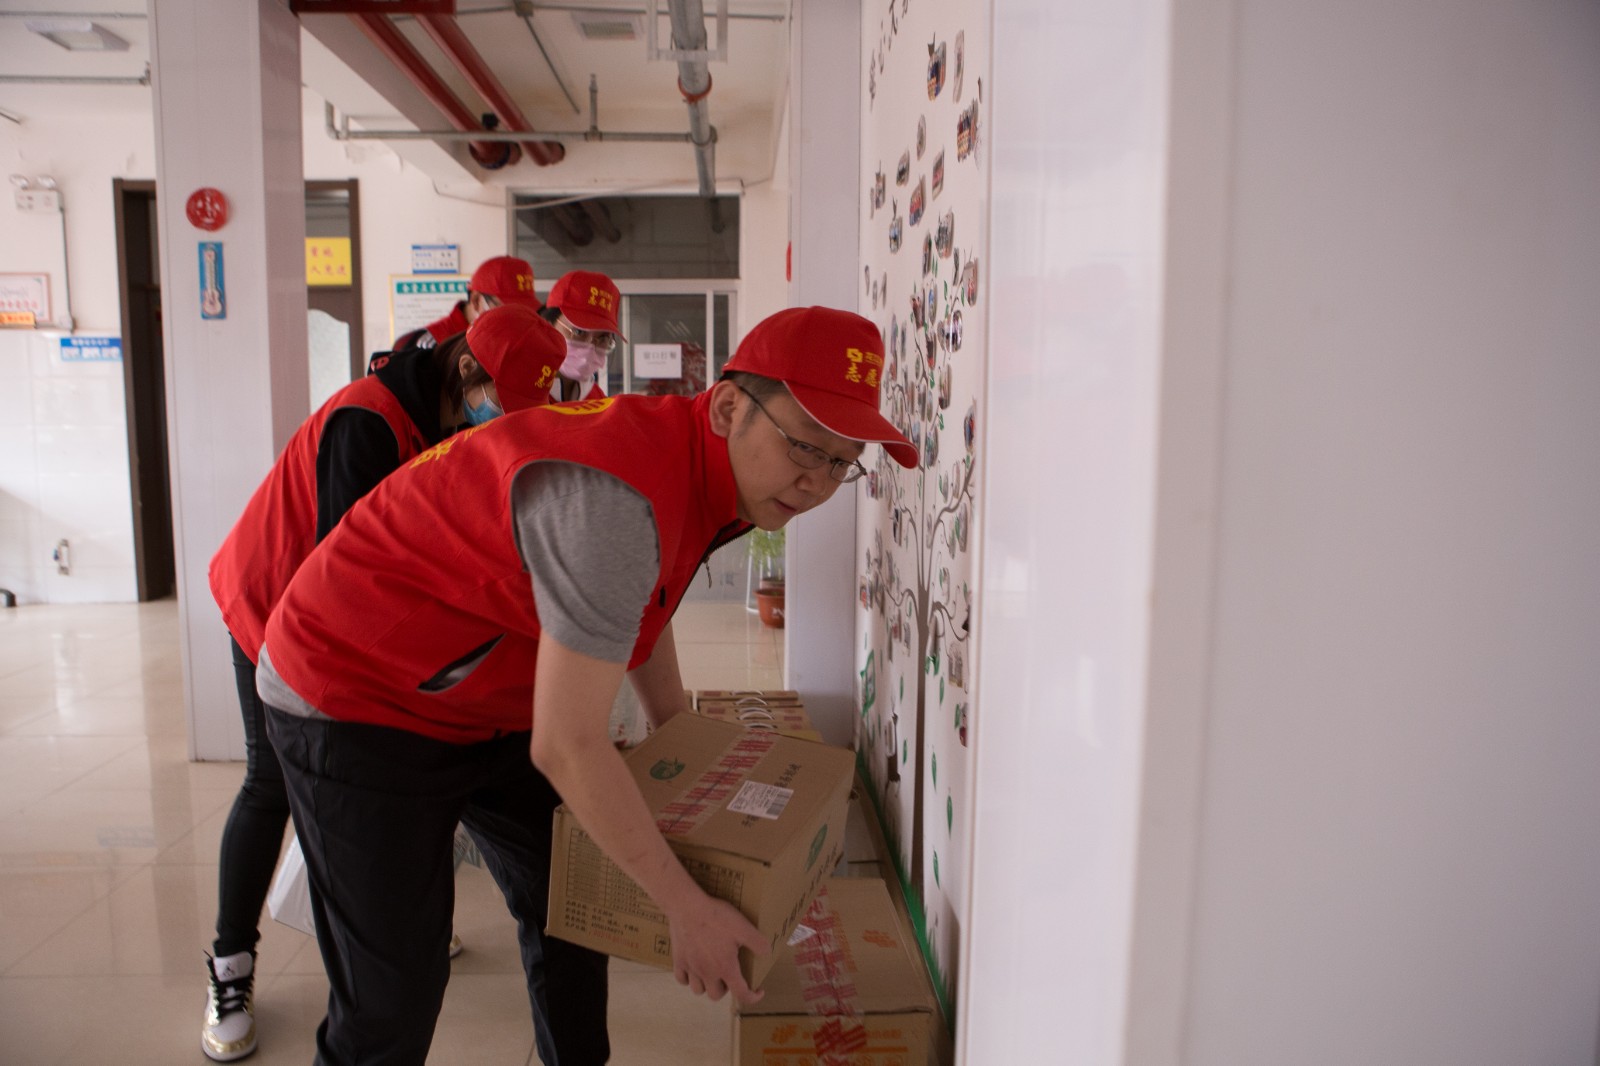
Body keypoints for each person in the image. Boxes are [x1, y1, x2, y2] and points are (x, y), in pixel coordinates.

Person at [254, 306, 918, 1065]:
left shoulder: (705, 463)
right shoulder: (618, 496)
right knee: (392, 995)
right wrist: (685, 910)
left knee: (571, 905)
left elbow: (644, 599)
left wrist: (682, 743)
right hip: (354, 691)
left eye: (841, 462)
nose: (816, 482)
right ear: (730, 407)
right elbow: (566, 745)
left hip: (482, 690)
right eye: (804, 446)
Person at [200, 305, 565, 1062]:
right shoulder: (369, 422)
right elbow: (346, 578)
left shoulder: (449, 420)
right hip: (274, 603)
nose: (500, 420)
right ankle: (230, 966)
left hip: (342, 632)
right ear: (465, 367)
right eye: (499, 399)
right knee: (272, 784)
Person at [392, 255, 541, 353]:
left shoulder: (507, 342)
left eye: (525, 312)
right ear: (476, 301)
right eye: (507, 312)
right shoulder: (432, 344)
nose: (517, 321)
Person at [539, 269, 624, 402]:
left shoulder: (597, 400)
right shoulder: (521, 394)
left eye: (603, 338)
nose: (589, 348)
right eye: (579, 332)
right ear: (548, 326)